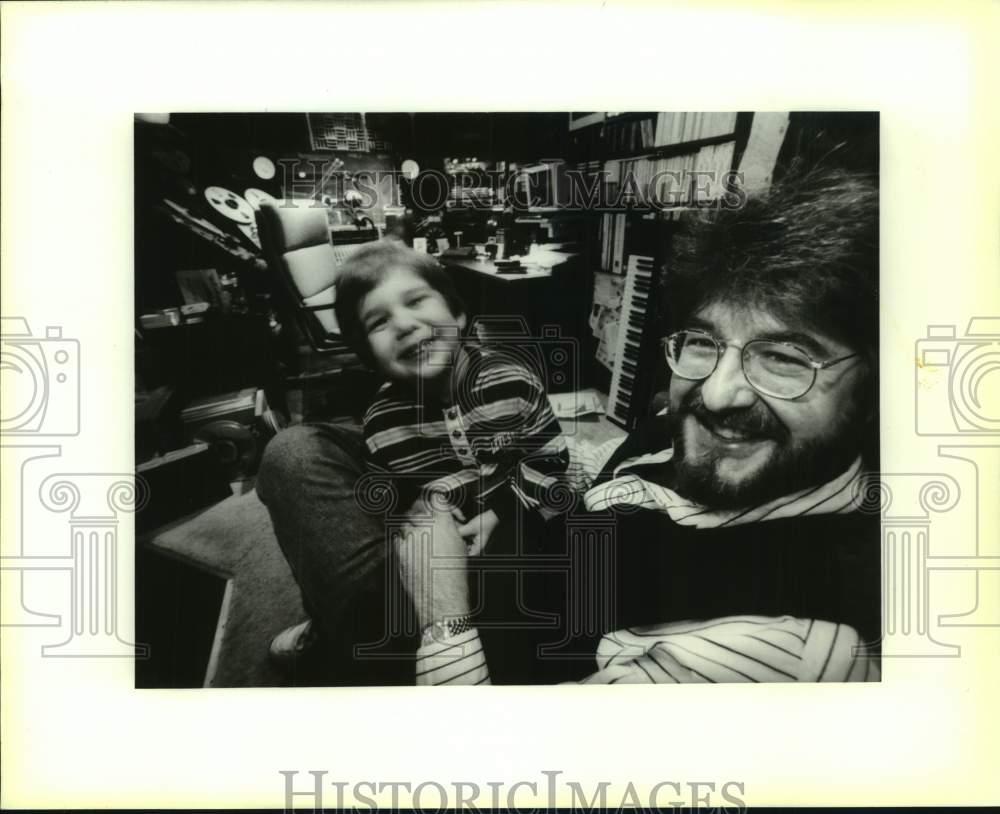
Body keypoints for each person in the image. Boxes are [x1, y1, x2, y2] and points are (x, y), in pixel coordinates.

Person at [395, 166, 883, 684]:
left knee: (301, 455)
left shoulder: (777, 647)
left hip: (462, 649)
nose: (716, 395)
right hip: (511, 565)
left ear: (874, 391)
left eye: (784, 357)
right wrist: (517, 517)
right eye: (703, 341)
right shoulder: (692, 434)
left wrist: (439, 610)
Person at [260, 241, 571, 684]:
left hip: (517, 522)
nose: (403, 324)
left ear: (458, 314)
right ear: (368, 355)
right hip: (436, 545)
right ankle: (344, 625)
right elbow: (386, 508)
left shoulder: (513, 381)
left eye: (416, 301)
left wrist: (505, 511)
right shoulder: (381, 423)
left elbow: (552, 463)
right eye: (379, 321)